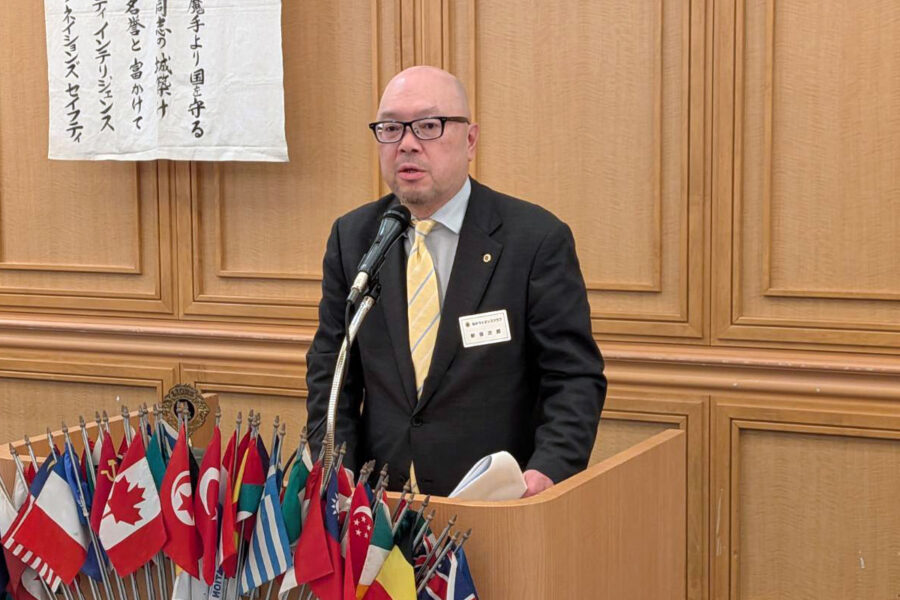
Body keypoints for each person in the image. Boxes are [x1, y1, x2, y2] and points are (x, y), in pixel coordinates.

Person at [306, 66, 606, 497]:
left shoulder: (534, 239)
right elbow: (331, 369)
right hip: (378, 504)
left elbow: (573, 376)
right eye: (390, 128)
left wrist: (548, 470)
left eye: (429, 126)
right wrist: (337, 468)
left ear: (470, 141)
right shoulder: (354, 237)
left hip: (497, 501)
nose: (407, 143)